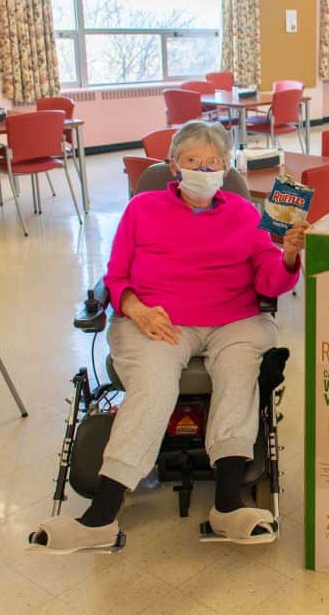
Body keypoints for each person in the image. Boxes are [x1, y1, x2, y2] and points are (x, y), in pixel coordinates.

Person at [30, 120, 308, 552]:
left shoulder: (244, 213)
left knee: (238, 372)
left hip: (234, 319)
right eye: (193, 160)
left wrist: (289, 256)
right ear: (174, 166)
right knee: (155, 383)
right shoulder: (142, 210)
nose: (203, 168)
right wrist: (136, 309)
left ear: (224, 167)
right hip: (157, 319)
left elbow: (271, 282)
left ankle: (228, 506)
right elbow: (115, 276)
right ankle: (100, 517)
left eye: (212, 162)